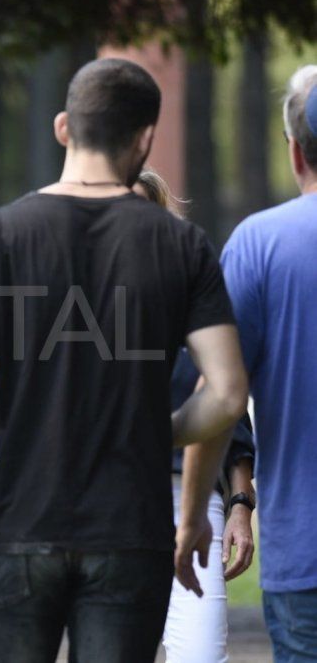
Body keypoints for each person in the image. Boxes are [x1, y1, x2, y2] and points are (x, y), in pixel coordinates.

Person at [0, 58, 249, 663]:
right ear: (146, 137)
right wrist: (161, 440)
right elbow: (226, 394)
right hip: (132, 529)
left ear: (63, 127)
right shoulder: (179, 243)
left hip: (22, 526)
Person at [134, 170, 256, 663]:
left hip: (192, 492)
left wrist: (241, 505)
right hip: (108, 498)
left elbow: (232, 413)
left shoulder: (196, 300)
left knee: (201, 653)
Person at [221, 66, 317, 661]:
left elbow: (223, 391)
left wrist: (233, 502)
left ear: (295, 150)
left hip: (305, 549)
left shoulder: (258, 243)